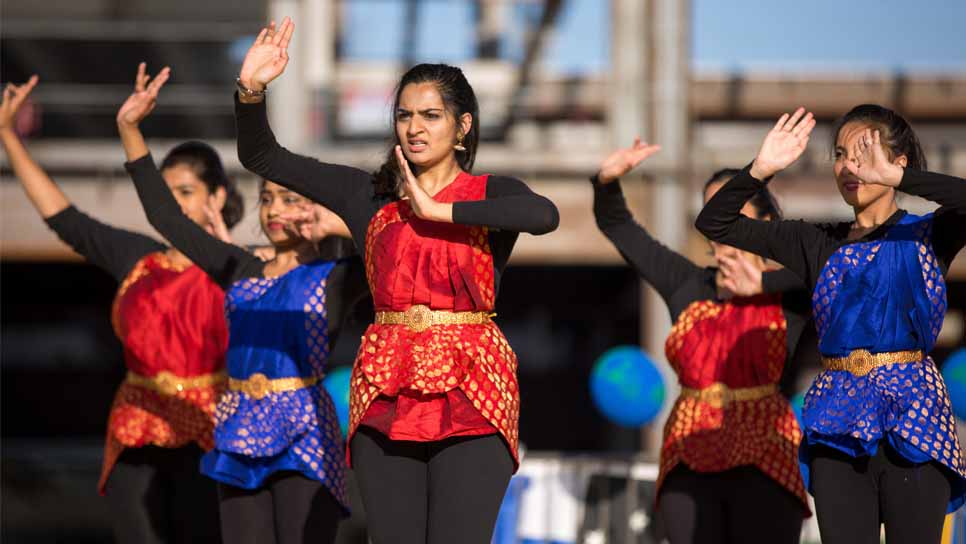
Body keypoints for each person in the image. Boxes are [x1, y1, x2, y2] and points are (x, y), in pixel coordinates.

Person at [233, 18, 559, 544]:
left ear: (463, 126)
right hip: (385, 388)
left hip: (473, 389)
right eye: (404, 115)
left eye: (431, 115)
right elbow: (262, 156)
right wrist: (250, 91)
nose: (415, 127)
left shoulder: (490, 193)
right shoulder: (367, 197)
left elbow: (545, 215)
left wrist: (436, 210)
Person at [116, 62, 367, 543]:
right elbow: (165, 217)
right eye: (268, 199)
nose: (275, 210)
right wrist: (130, 129)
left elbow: (383, 239)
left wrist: (334, 224)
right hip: (238, 431)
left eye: (290, 200)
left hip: (306, 436)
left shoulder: (337, 276)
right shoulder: (239, 267)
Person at [696, 105, 966, 544]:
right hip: (837, 423)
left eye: (864, 153)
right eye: (841, 154)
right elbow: (714, 222)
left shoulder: (929, 233)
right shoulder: (814, 240)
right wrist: (759, 169)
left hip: (915, 418)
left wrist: (901, 179)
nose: (850, 167)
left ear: (898, 162)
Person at [1, 72, 240, 543]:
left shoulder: (240, 266)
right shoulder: (138, 260)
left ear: (217, 197)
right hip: (137, 428)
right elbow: (65, 218)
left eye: (186, 193)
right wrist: (8, 136)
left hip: (213, 433)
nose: (173, 205)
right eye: (164, 193)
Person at [592, 140, 810, 543]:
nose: (722, 224)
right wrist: (606, 181)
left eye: (734, 210)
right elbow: (619, 226)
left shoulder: (793, 289)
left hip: (767, 452)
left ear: (764, 218)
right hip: (690, 452)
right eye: (713, 212)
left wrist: (761, 281)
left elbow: (841, 264)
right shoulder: (687, 283)